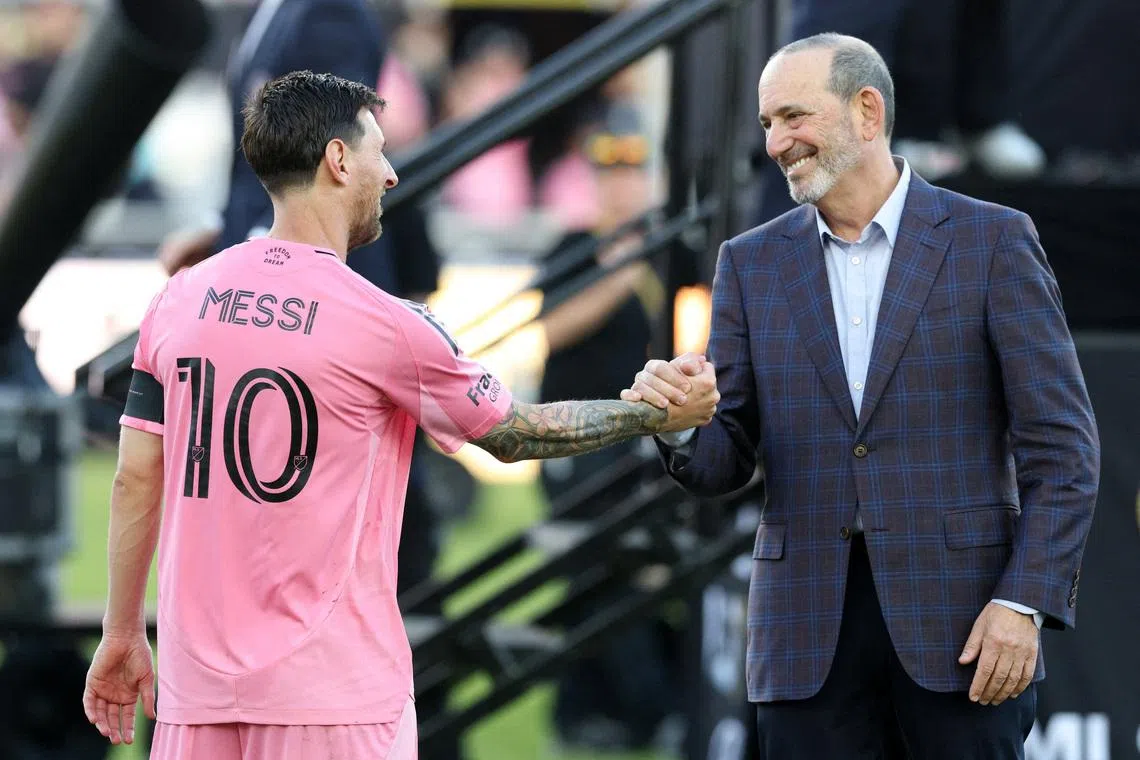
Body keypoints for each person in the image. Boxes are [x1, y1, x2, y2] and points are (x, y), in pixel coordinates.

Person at [79, 70, 717, 760]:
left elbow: (134, 478)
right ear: (338, 159)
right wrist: (652, 417)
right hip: (333, 702)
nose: (389, 174)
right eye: (379, 152)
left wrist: (120, 634)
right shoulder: (386, 324)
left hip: (193, 697)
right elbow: (515, 434)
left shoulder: (179, 301)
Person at [623, 34, 1099, 760]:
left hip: (966, 635)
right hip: (805, 646)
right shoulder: (749, 264)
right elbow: (727, 460)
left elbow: (1062, 449)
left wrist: (1021, 602)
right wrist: (684, 426)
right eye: (765, 125)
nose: (776, 142)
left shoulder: (993, 242)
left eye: (792, 116)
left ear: (867, 112)